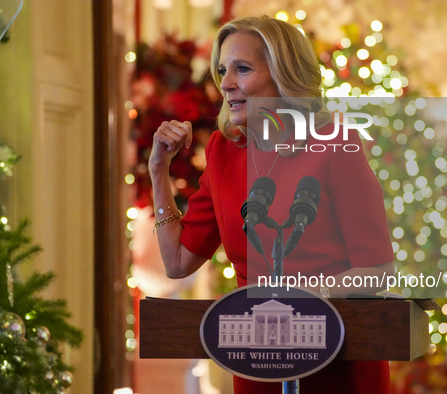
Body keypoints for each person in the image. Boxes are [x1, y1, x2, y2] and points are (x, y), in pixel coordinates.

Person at [149, 16, 395, 394]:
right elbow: (178, 262)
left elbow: (378, 270)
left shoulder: (335, 145)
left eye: (242, 69)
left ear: (283, 75)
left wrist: (310, 297)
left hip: (338, 362)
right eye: (222, 70)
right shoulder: (223, 151)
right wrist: (159, 171)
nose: (226, 83)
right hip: (257, 362)